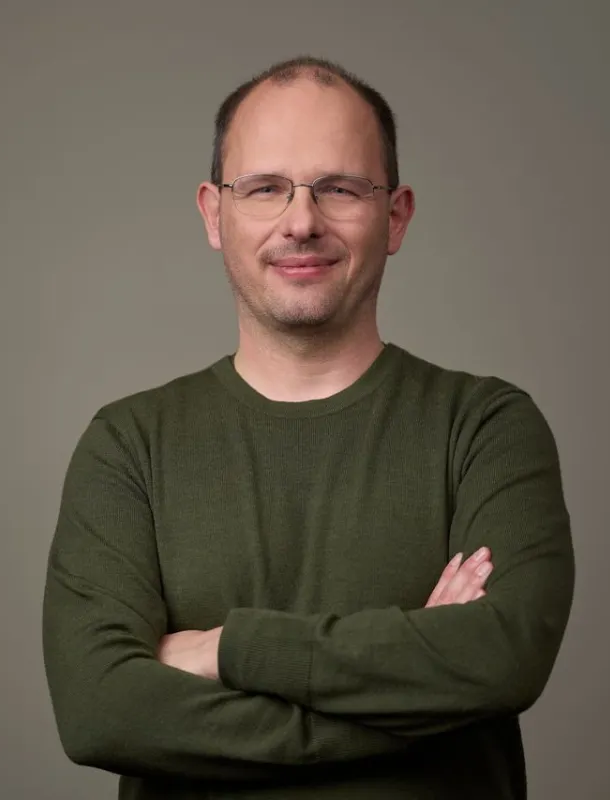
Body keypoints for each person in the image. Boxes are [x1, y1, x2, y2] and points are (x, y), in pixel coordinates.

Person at [41, 55, 575, 799]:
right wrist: (416, 700)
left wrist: (225, 650)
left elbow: (502, 657)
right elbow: (101, 712)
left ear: (395, 216)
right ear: (213, 214)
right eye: (264, 188)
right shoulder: (128, 445)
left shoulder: (486, 428)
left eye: (340, 188)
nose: (301, 221)